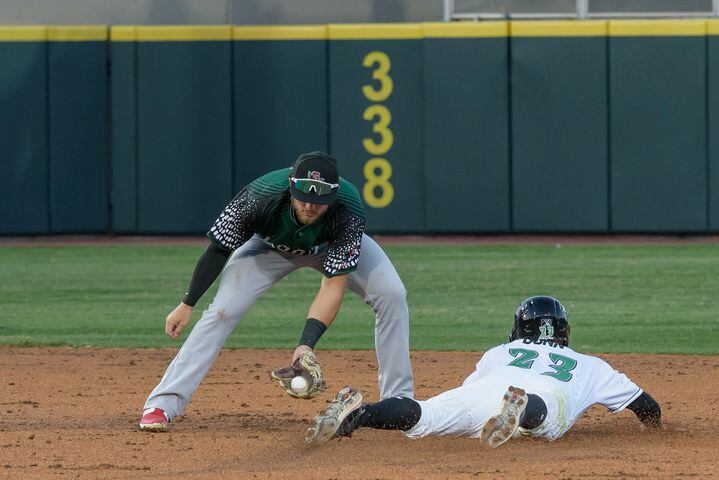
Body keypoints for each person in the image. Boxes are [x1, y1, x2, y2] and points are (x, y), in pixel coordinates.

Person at [138, 151, 414, 432]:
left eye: (319, 202)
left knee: (392, 294)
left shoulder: (349, 207)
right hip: (267, 248)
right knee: (222, 312)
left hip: (326, 246)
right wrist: (187, 303)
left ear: (333, 197)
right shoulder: (262, 194)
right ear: (291, 186)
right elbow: (219, 249)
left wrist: (306, 344)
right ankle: (162, 404)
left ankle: (398, 403)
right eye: (303, 196)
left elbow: (333, 285)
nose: (309, 205)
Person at [306, 295, 662, 447]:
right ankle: (525, 409)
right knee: (547, 418)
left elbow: (471, 395)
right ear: (564, 330)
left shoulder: (500, 352)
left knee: (426, 414)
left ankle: (360, 415)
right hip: (537, 397)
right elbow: (646, 405)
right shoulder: (592, 366)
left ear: (520, 329)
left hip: (485, 393)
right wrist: (655, 428)